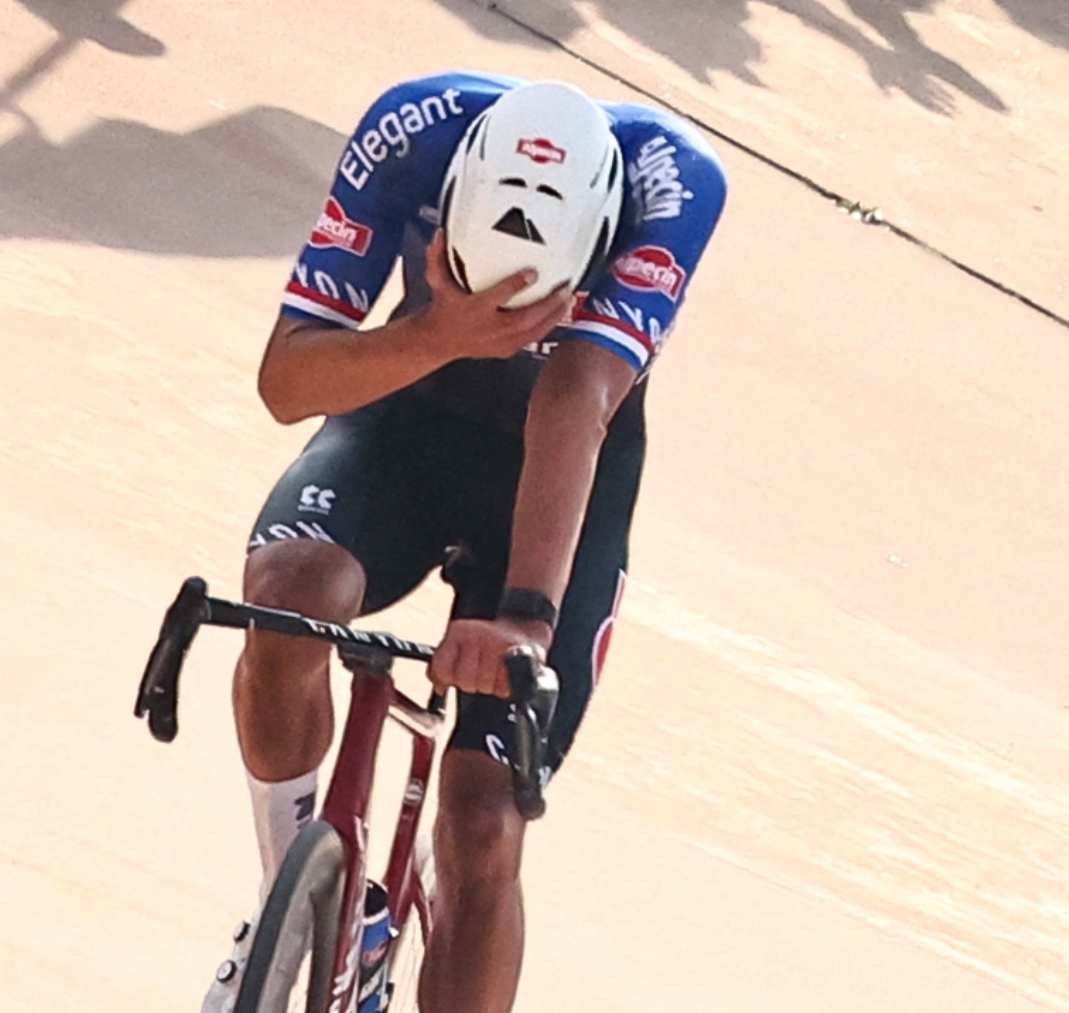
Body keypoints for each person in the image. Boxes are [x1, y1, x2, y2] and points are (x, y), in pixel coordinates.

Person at [206, 70, 726, 1013]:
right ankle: (304, 916)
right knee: (285, 591)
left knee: (483, 822)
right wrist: (446, 332)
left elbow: (576, 396)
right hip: (407, 426)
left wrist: (525, 617)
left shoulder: (676, 182)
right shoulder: (413, 131)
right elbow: (289, 380)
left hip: (559, 476)